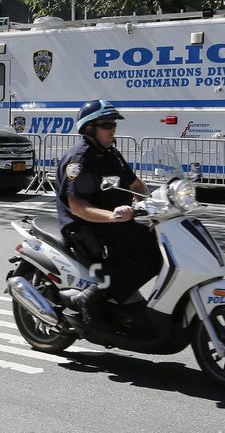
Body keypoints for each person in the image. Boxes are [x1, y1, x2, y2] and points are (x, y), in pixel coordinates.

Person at [54, 99, 161, 328]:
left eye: (114, 126)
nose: (113, 130)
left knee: (160, 246)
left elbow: (136, 185)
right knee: (146, 258)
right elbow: (78, 207)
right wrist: (112, 216)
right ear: (89, 128)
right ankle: (89, 299)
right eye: (107, 126)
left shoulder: (111, 154)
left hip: (116, 224)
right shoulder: (80, 160)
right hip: (86, 229)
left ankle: (123, 303)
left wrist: (155, 211)